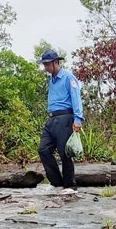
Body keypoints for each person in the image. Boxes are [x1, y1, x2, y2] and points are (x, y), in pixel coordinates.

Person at [37, 49, 84, 195]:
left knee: (65, 152)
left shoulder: (68, 78)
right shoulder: (51, 79)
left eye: (47, 64)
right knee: (43, 149)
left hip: (65, 117)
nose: (45, 67)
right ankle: (57, 183)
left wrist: (78, 119)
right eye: (44, 64)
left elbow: (76, 98)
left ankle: (70, 185)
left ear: (56, 62)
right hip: (52, 119)